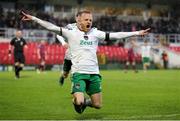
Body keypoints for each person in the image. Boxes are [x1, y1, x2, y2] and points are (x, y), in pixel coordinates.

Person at [21, 10, 150, 114]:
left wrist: (137, 33)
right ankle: (77, 101)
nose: (89, 22)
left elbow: (116, 35)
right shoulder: (71, 33)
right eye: (86, 19)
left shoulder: (95, 33)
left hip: (94, 74)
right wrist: (34, 18)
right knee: (79, 102)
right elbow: (51, 27)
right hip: (79, 74)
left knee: (97, 105)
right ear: (78, 20)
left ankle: (84, 102)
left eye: (90, 20)